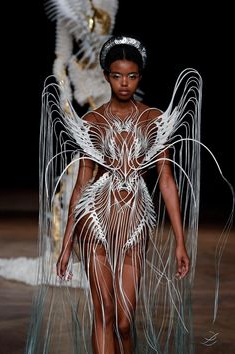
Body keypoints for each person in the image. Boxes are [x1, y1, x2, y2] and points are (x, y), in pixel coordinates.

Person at [26, 35, 233, 354]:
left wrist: (179, 240)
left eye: (132, 76)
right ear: (107, 76)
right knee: (103, 314)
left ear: (140, 76)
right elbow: (82, 184)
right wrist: (67, 245)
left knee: (125, 320)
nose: (124, 83)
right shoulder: (92, 121)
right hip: (93, 220)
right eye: (118, 75)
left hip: (136, 221)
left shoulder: (154, 119)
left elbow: (166, 180)